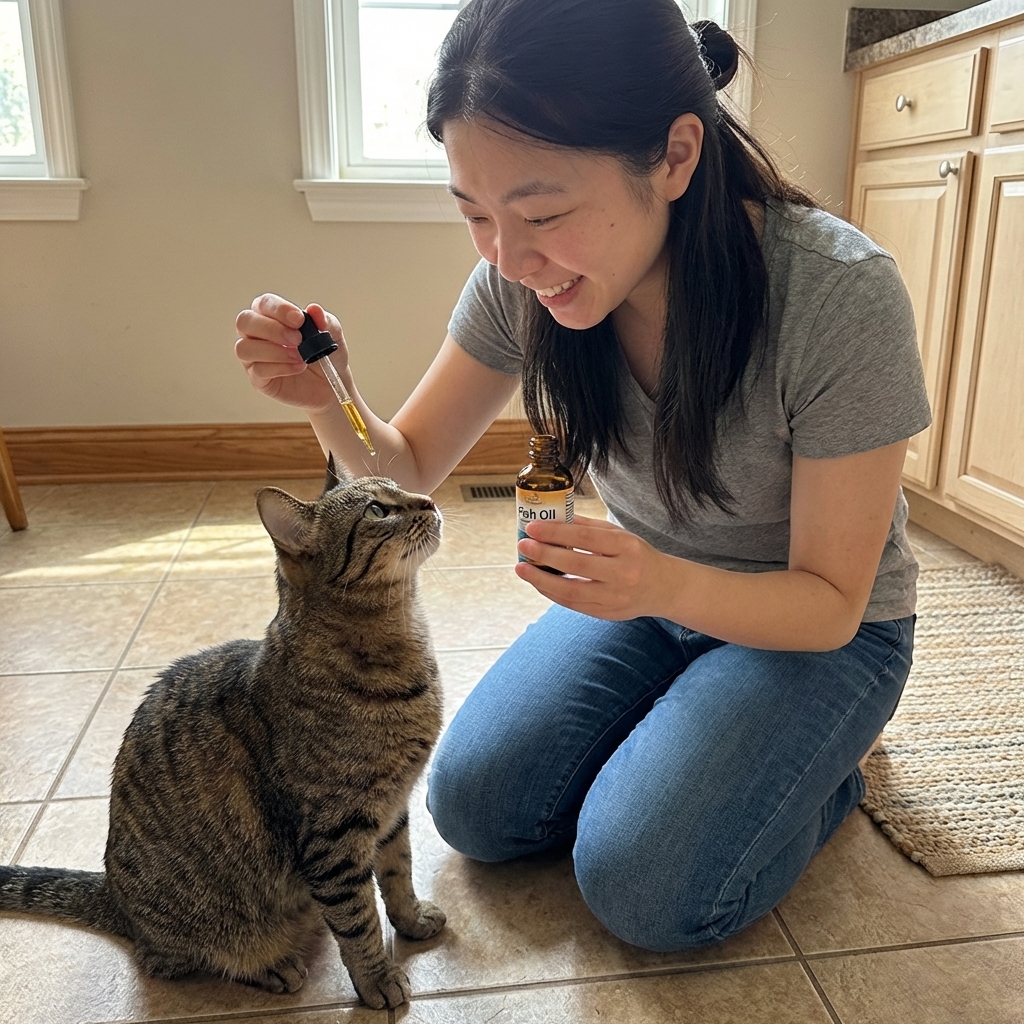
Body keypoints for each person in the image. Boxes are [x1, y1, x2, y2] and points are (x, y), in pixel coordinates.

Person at [234, 0, 931, 952]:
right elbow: (406, 467)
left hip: (818, 631)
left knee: (645, 888)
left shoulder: (837, 294)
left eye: (543, 212)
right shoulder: (518, 280)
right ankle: (699, 727)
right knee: (475, 807)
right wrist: (327, 393)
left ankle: (832, 772)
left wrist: (662, 584)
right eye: (474, 213)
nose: (511, 258)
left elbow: (833, 603)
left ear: (677, 156)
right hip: (646, 596)